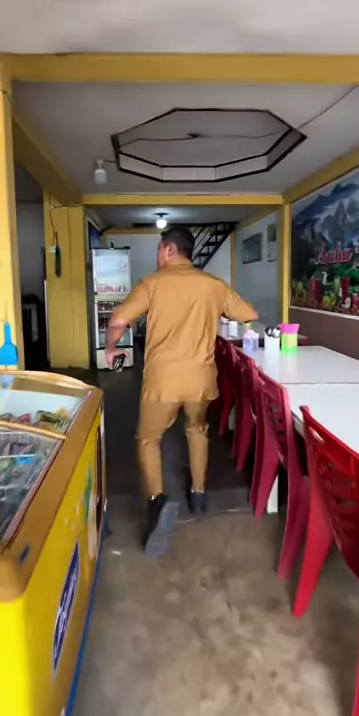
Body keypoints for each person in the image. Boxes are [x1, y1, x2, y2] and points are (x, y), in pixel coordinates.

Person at [106, 226, 258, 557]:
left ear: (170, 249)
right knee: (197, 429)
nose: (158, 256)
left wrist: (111, 348)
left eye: (159, 249)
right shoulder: (213, 285)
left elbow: (118, 321)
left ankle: (157, 502)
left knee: (148, 439)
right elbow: (250, 314)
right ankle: (199, 494)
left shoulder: (152, 284)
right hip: (200, 381)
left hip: (163, 381)